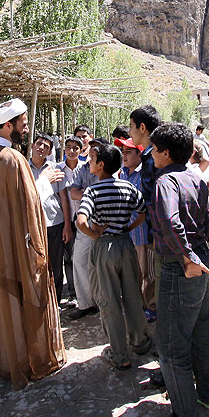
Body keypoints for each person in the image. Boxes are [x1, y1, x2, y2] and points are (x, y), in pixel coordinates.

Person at [0, 97, 66, 390]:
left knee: (1, 297)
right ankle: (24, 360)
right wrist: (44, 179)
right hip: (15, 246)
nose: (26, 127)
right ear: (8, 126)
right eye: (23, 123)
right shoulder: (14, 159)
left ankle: (5, 358)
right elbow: (29, 202)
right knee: (23, 296)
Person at [149, 122, 209, 417]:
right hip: (203, 257)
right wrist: (195, 253)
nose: (151, 154)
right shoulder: (196, 178)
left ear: (166, 153)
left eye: (154, 149)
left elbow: (168, 220)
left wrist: (185, 257)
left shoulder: (165, 181)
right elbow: (206, 222)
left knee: (170, 347)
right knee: (203, 333)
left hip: (183, 266)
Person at [76, 143, 151, 370]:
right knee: (132, 295)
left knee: (108, 299)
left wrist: (95, 233)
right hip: (125, 244)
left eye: (92, 159)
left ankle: (119, 353)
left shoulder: (93, 191)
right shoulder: (127, 187)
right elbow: (143, 211)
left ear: (101, 165)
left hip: (104, 247)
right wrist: (128, 227)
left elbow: (81, 221)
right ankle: (139, 341)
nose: (89, 162)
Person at [68, 137, 110, 320]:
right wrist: (92, 193)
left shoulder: (111, 168)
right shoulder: (83, 169)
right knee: (79, 261)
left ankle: (107, 303)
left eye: (98, 148)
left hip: (106, 221)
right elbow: (73, 193)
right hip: (85, 220)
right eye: (91, 148)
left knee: (105, 264)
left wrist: (87, 193)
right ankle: (86, 303)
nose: (93, 151)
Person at [29, 133, 72, 306]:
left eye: (46, 146)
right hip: (32, 224)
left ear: (49, 151)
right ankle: (37, 302)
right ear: (32, 146)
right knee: (35, 264)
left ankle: (55, 302)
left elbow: (64, 198)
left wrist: (67, 226)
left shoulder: (55, 169)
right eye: (39, 144)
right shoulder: (23, 168)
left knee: (55, 264)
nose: (41, 148)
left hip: (55, 223)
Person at [115, 136, 156, 320]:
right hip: (126, 232)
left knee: (146, 272)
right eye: (123, 152)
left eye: (128, 152)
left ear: (139, 154)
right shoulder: (122, 173)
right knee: (131, 273)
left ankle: (151, 307)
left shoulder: (145, 174)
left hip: (141, 232)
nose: (124, 156)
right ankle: (136, 305)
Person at [128, 105, 161, 318]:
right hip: (156, 231)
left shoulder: (152, 159)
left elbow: (155, 202)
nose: (130, 132)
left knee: (155, 275)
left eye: (131, 127)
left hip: (156, 233)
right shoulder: (154, 154)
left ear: (142, 127)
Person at [55, 135, 85, 308]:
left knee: (82, 257)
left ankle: (84, 293)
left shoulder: (86, 169)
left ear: (81, 151)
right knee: (68, 256)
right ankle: (73, 292)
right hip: (65, 219)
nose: (71, 151)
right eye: (68, 147)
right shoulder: (57, 169)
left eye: (75, 148)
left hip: (83, 218)